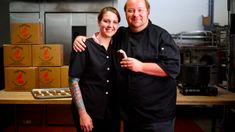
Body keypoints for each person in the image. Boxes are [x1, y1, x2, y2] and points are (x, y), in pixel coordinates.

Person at [73, 0, 180, 132]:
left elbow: (173, 68)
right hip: (130, 116)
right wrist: (82, 38)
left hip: (156, 117)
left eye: (140, 10)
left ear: (148, 12)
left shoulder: (161, 36)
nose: (136, 14)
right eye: (131, 10)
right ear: (125, 13)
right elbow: (103, 36)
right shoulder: (120, 35)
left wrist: (140, 66)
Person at [69, 6, 121, 132]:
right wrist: (82, 114)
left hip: (112, 113)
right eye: (106, 21)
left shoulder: (119, 46)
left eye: (114, 22)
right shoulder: (84, 46)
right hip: (89, 112)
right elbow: (73, 81)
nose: (110, 25)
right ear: (99, 22)